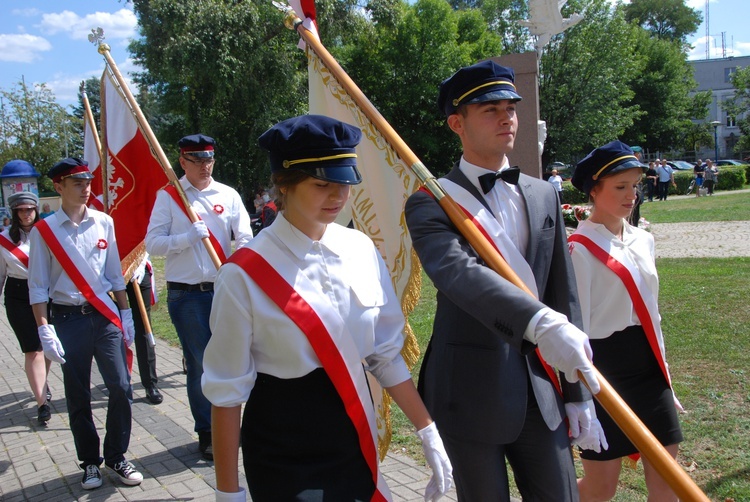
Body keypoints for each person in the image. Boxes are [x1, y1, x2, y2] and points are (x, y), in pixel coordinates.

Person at [202, 114, 452, 501]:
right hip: (283, 444)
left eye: (345, 183)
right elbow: (227, 393)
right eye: (322, 184)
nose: (338, 196)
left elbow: (385, 354)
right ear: (283, 185)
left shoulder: (361, 249)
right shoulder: (244, 275)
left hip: (353, 431)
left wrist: (426, 430)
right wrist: (227, 491)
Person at [404, 60, 605, 501]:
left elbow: (561, 294)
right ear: (457, 123)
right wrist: (541, 324)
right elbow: (459, 275)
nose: (506, 117)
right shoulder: (430, 203)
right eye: (489, 108)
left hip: (540, 385)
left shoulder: (543, 193)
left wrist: (577, 392)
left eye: (510, 108)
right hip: (468, 389)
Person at [569, 141, 684, 501]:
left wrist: (663, 365)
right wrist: (581, 394)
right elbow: (576, 329)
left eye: (635, 186)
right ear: (593, 190)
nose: (631, 195)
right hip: (604, 371)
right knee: (601, 487)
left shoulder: (643, 240)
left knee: (668, 480)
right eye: (620, 187)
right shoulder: (578, 249)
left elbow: (652, 311)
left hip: (649, 370)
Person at [28, 157, 143, 490]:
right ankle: (90, 462)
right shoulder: (44, 231)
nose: (85, 189)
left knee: (121, 387)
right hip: (66, 318)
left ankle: (117, 455)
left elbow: (113, 275)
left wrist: (125, 314)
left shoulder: (103, 222)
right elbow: (37, 285)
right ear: (58, 187)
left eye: (88, 182)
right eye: (77, 183)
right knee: (78, 395)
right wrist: (44, 328)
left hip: (103, 316)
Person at [146, 134, 253, 461]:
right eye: (197, 160)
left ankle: (233, 426)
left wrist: (241, 260)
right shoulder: (169, 196)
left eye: (209, 159)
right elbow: (153, 243)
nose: (205, 165)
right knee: (202, 364)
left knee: (232, 361)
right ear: (183, 162)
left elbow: (245, 237)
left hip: (224, 290)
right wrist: (185, 238)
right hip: (187, 295)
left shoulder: (228, 194)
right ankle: (208, 432)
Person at [0, 190, 52, 424]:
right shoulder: (3, 239)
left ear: (36, 210)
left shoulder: (49, 233)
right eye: (21, 210)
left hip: (47, 294)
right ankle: (42, 403)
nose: (26, 214)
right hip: (18, 295)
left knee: (48, 345)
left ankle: (42, 383)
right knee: (33, 349)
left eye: (29, 209)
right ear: (14, 212)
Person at [125, 254, 163, 404]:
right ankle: (119, 382)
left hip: (138, 268)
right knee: (113, 328)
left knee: (143, 327)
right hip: (111, 270)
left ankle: (150, 383)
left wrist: (138, 263)